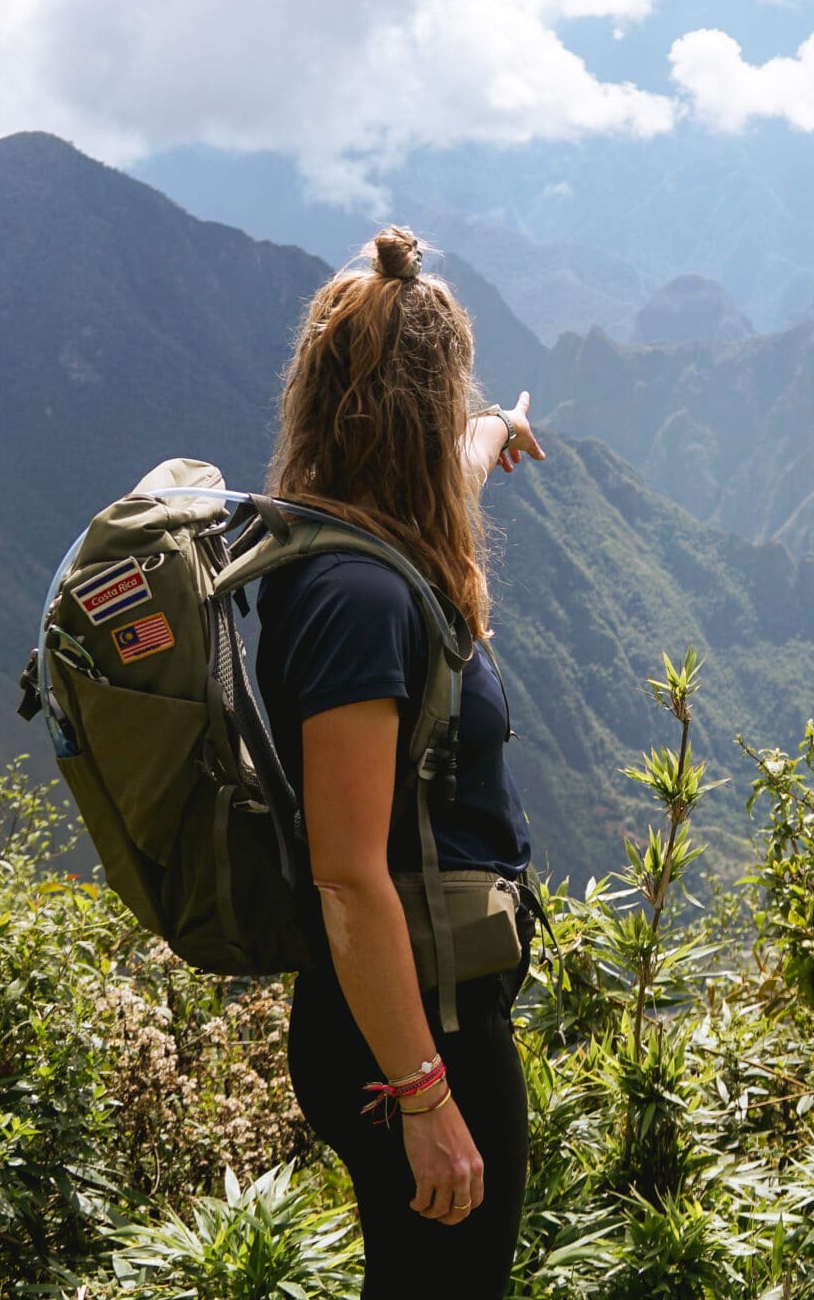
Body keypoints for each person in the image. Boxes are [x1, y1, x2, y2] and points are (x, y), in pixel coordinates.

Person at [254, 227, 547, 1296]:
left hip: (412, 1011)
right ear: (417, 409)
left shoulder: (360, 549)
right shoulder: (361, 602)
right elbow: (346, 869)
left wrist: (489, 434)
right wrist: (424, 1099)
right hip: (417, 1026)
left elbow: (449, 483)